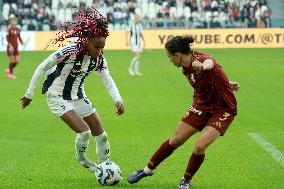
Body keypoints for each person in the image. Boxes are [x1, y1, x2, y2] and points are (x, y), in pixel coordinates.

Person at [20, 7, 125, 174]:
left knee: (102, 135)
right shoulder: (69, 51)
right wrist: (29, 94)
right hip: (57, 97)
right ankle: (82, 158)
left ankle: (106, 168)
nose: (99, 51)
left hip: (78, 96)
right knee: (84, 133)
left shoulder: (99, 58)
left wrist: (118, 99)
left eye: (102, 47)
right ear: (86, 41)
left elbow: (108, 79)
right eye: (96, 46)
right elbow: (41, 67)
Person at [127, 35, 240, 189]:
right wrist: (227, 84)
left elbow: (210, 63)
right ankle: (147, 170)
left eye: (169, 57)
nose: (170, 61)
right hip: (201, 104)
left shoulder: (201, 60)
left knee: (200, 146)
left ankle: (185, 181)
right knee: (174, 140)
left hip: (223, 108)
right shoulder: (185, 68)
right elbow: (213, 78)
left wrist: (202, 67)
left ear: (177, 55)